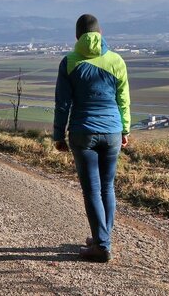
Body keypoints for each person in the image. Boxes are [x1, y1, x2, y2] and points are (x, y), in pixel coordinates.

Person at [53, 14, 131, 263]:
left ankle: (101, 244)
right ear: (100, 33)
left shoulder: (69, 62)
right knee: (107, 187)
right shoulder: (117, 61)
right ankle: (102, 237)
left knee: (92, 190)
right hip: (112, 132)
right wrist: (125, 130)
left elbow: (62, 104)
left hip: (82, 132)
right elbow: (123, 100)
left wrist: (58, 134)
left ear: (77, 36)